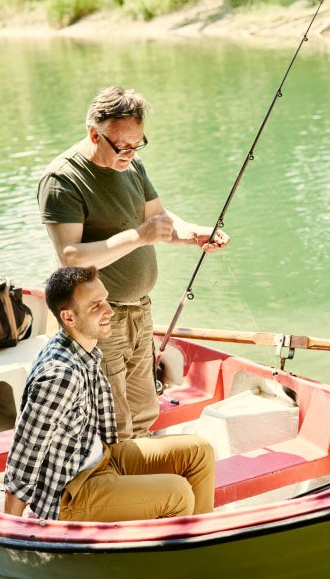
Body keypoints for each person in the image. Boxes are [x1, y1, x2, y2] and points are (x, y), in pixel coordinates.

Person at [37, 86, 230, 440]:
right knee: (112, 421)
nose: (130, 153)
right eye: (122, 146)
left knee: (143, 410)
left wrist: (192, 234)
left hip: (139, 313)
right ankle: (117, 490)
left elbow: (157, 218)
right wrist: (140, 235)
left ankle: (138, 483)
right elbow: (70, 255)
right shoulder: (63, 179)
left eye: (137, 144)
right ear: (95, 133)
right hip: (97, 316)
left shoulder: (131, 165)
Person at [4, 266, 215, 522]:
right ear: (69, 317)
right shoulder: (59, 376)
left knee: (198, 451)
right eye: (96, 306)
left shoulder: (84, 349)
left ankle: (199, 537)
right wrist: (11, 527)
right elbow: (23, 458)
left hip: (101, 458)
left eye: (105, 299)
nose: (109, 310)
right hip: (71, 491)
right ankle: (168, 557)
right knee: (177, 493)